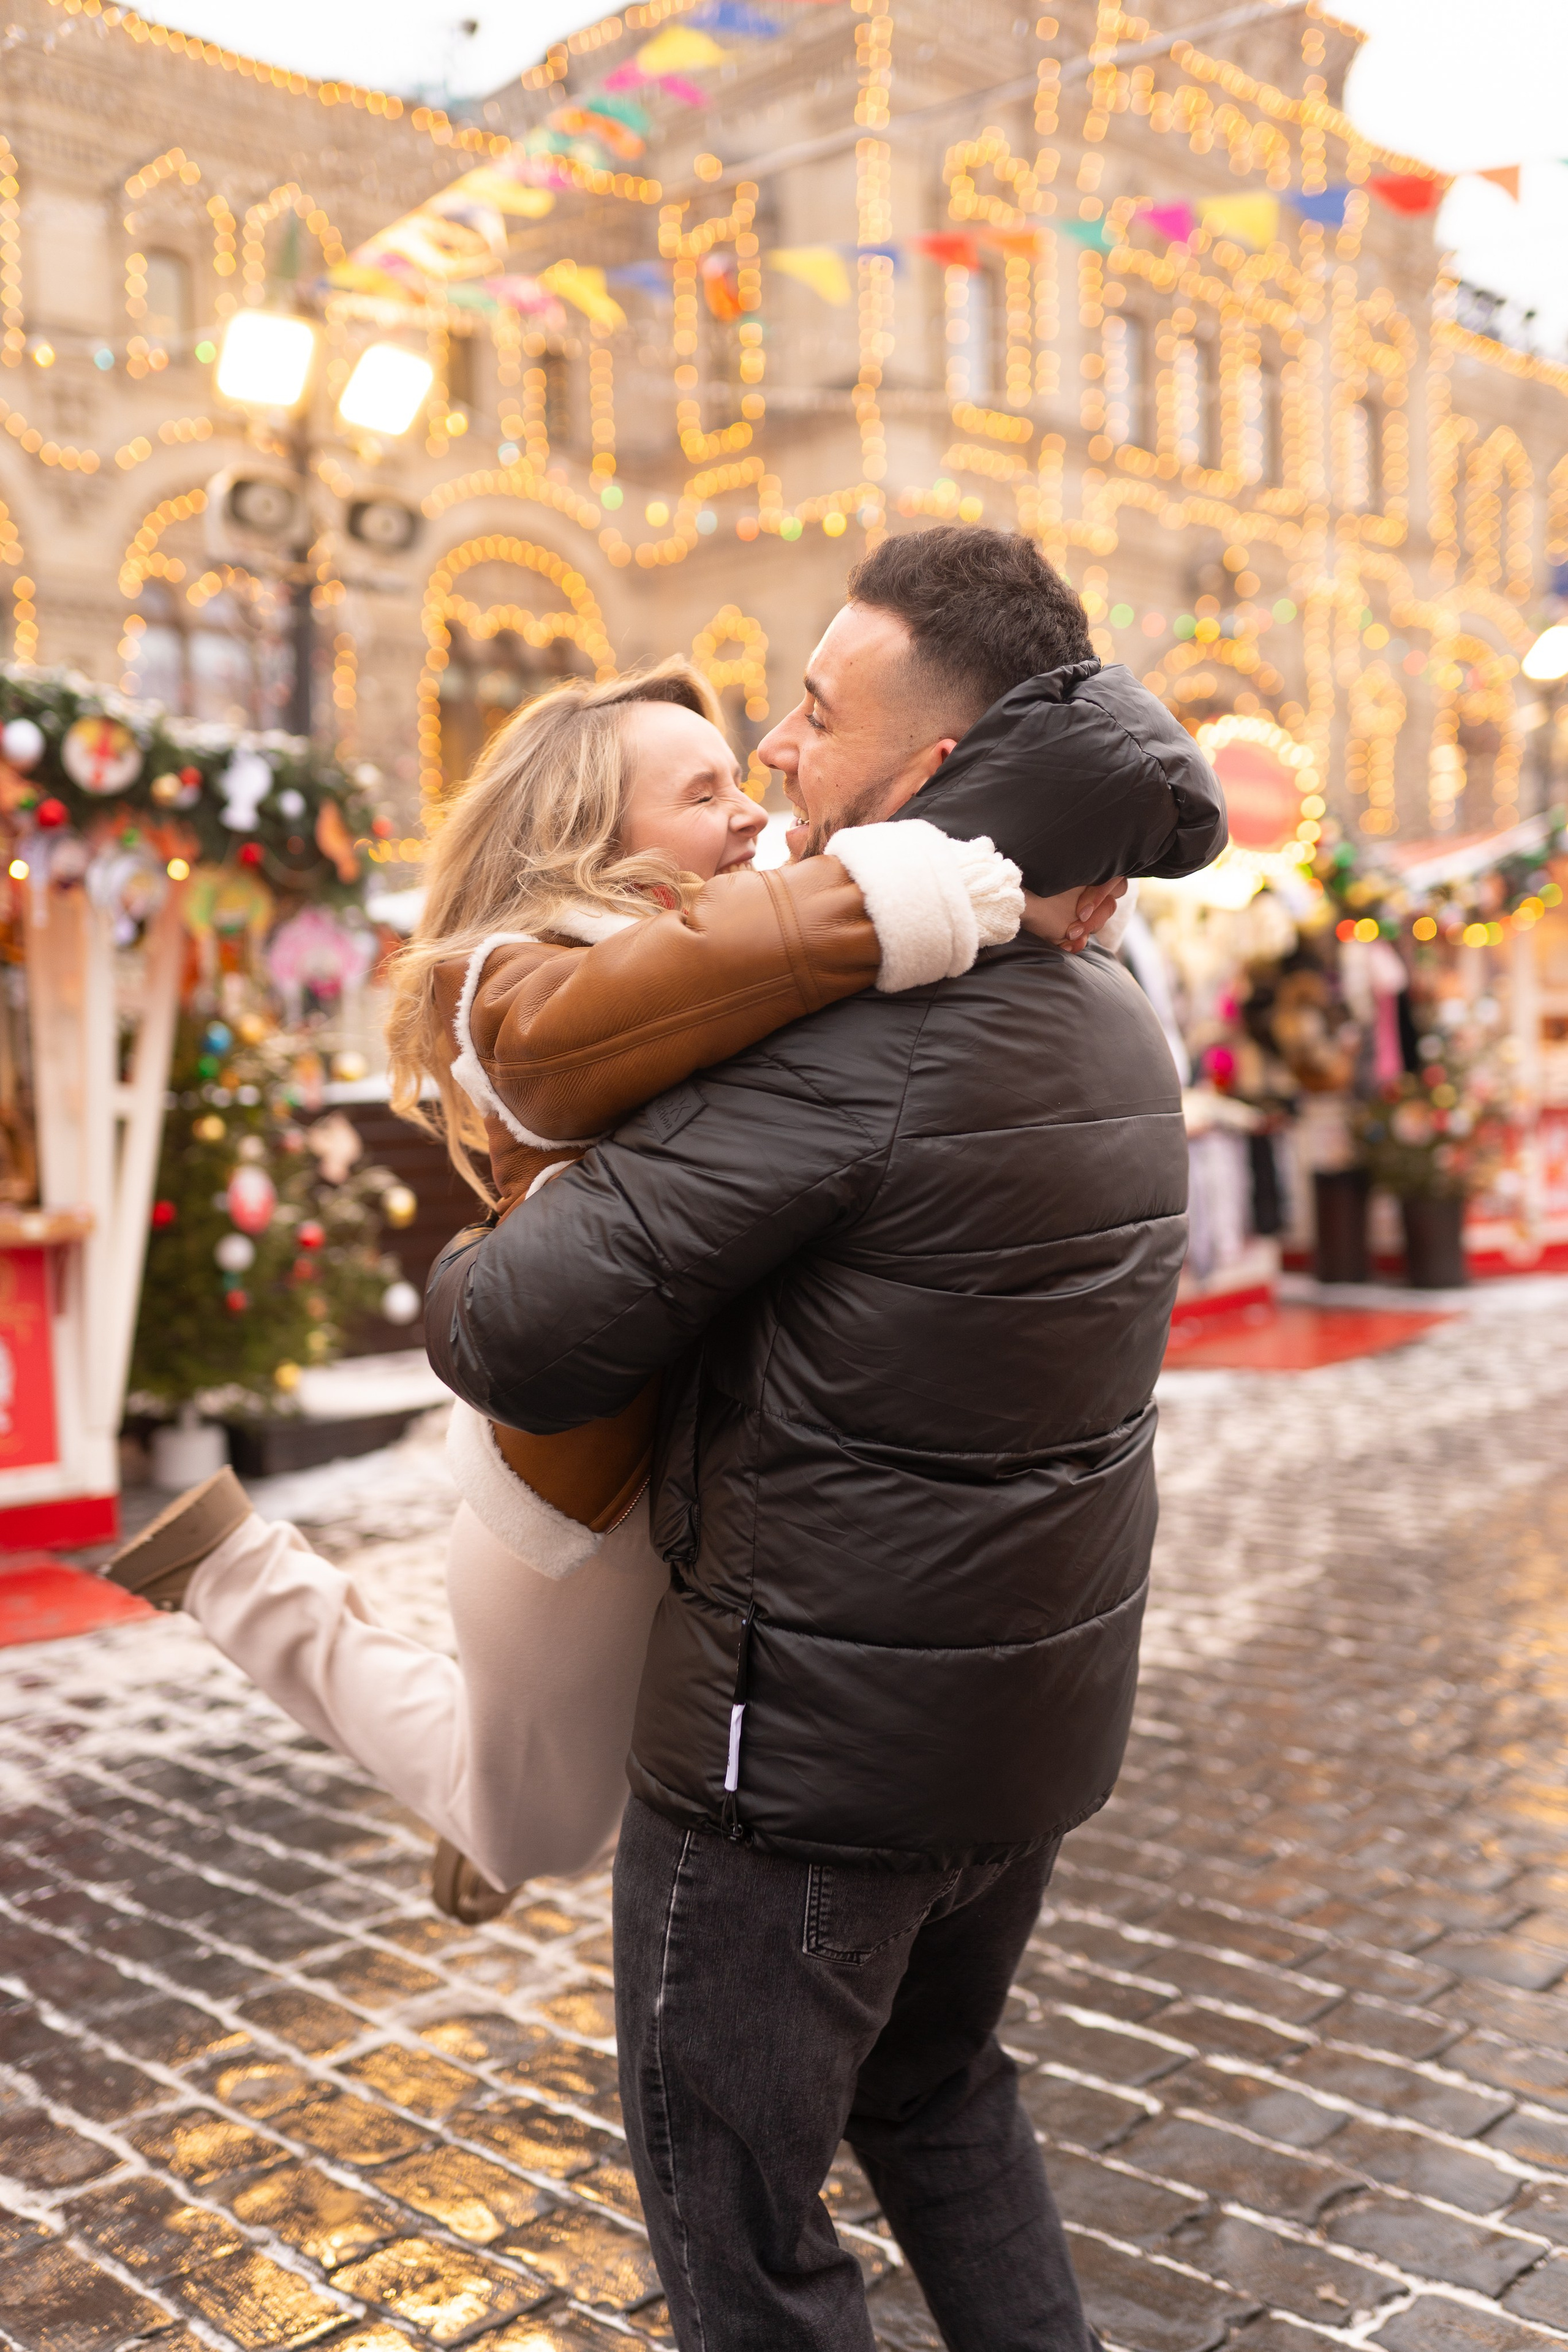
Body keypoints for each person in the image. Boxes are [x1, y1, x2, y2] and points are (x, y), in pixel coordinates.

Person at [426, 526, 1227, 2351]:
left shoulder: (862, 1042)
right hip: (1016, 1730)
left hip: (798, 1767)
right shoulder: (1105, 999)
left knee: (744, 2229)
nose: (779, 752)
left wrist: (484, 1234)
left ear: (933, 776)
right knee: (944, 2104)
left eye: (808, 713)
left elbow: (520, 1332)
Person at [104, 656, 1117, 1926]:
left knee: (579, 1784)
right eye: (701, 792)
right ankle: (236, 1573)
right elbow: (643, 1004)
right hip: (576, 1507)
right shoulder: (511, 978)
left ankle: (490, 1777)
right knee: (543, 1833)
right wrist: (896, 891)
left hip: (700, 1476)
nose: (748, 805)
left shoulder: (739, 956)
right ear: (595, 838)